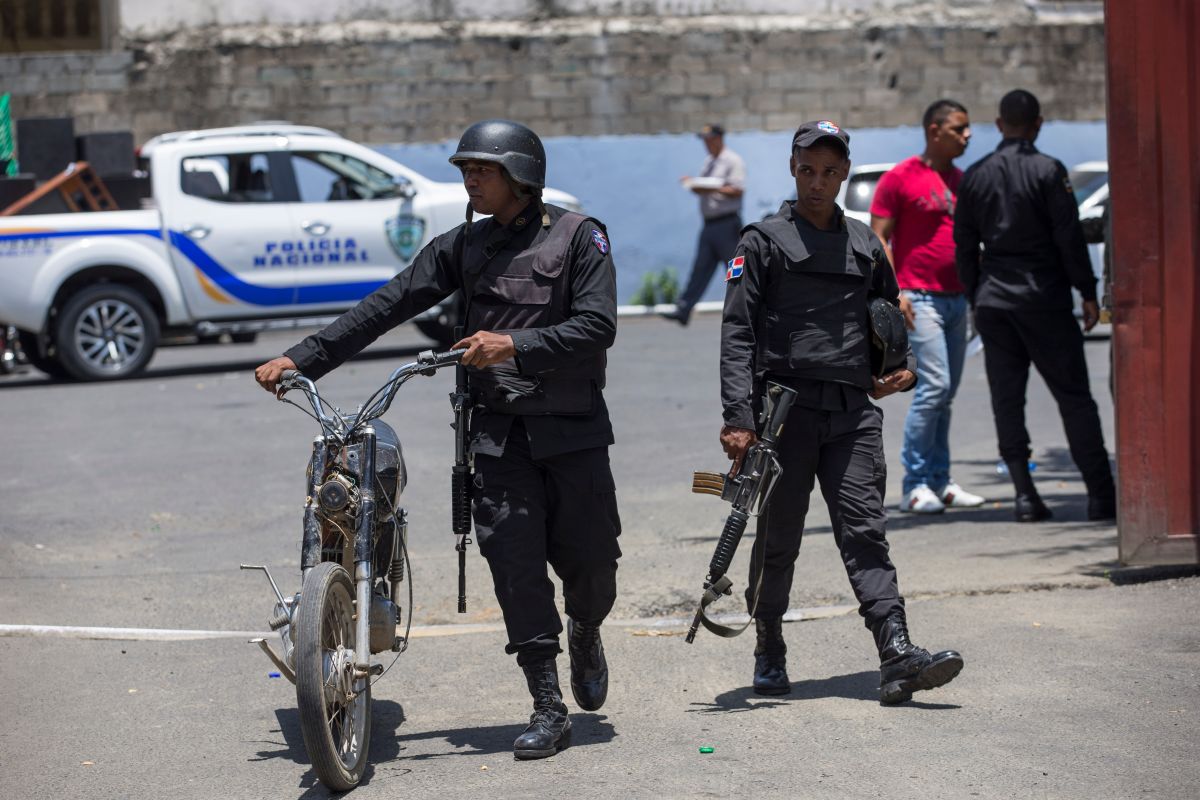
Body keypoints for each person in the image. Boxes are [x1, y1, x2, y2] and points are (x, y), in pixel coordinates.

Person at [254, 120, 622, 759]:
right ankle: (547, 703)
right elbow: (389, 303)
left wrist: (515, 344)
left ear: (520, 177)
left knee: (590, 566)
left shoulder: (578, 237)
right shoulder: (464, 245)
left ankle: (586, 627)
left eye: (482, 170)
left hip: (573, 433)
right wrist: (303, 358)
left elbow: (597, 325)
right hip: (496, 438)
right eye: (465, 170)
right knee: (514, 566)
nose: (469, 180)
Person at [720, 120, 964, 704]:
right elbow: (737, 333)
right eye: (808, 169)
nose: (817, 182)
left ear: (844, 174)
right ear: (793, 167)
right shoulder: (762, 240)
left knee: (865, 532)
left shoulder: (862, 243)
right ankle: (769, 644)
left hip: (852, 414)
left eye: (830, 172)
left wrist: (894, 370)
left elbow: (885, 317)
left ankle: (895, 651)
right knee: (779, 540)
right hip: (785, 417)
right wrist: (738, 416)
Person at [954, 90, 1116, 522]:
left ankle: (1026, 496)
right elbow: (1069, 236)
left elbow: (964, 247)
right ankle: (1101, 495)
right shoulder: (1049, 171)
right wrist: (1086, 291)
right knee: (1075, 399)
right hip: (1043, 297)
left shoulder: (975, 176)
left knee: (1008, 403)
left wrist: (975, 296)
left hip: (995, 300)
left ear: (999, 123)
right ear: (1038, 124)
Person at [870, 99, 986, 514]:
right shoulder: (901, 178)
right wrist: (894, 292)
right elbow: (878, 238)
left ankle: (940, 480)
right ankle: (916, 483)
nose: (967, 135)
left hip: (959, 299)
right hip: (919, 299)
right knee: (933, 387)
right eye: (959, 128)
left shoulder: (962, 179)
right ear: (934, 131)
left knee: (947, 392)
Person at [662, 123, 746, 325]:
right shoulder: (709, 162)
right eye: (704, 140)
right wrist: (694, 184)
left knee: (736, 269)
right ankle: (684, 309)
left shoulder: (732, 160)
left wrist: (711, 187)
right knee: (700, 268)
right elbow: (703, 189)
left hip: (727, 223)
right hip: (709, 225)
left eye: (709, 139)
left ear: (719, 138)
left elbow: (738, 189)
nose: (706, 144)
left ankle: (749, 307)